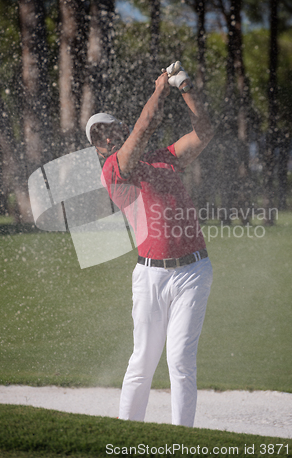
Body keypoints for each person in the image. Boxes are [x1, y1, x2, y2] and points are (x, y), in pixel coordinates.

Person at [86, 62, 214, 427]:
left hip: (193, 270)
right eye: (99, 137)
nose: (107, 138)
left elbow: (204, 131)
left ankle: (183, 440)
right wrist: (160, 88)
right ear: (98, 149)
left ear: (119, 129)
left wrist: (185, 86)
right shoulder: (113, 169)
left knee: (180, 360)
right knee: (142, 360)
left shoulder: (165, 158)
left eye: (110, 130)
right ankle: (127, 434)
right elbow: (144, 126)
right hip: (149, 276)